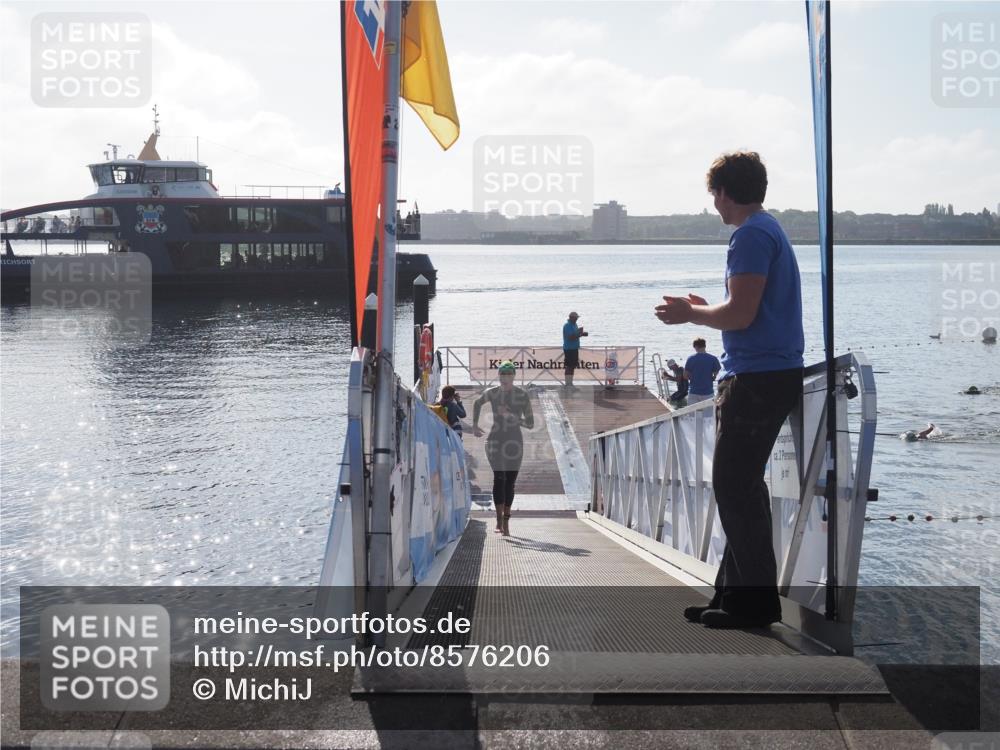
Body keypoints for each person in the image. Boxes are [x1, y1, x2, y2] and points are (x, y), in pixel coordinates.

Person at [654, 151, 804, 629]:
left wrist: (690, 315)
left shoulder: (751, 235)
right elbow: (745, 307)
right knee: (741, 488)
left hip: (757, 379)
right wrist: (707, 307)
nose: (713, 205)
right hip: (767, 374)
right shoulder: (766, 229)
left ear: (724, 192)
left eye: (713, 195)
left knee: (734, 486)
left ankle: (756, 605)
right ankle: (733, 597)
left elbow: (741, 315)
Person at [472, 361, 535, 536]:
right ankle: (499, 521)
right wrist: (475, 426)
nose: (505, 378)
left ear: (514, 376)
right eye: (502, 374)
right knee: (499, 478)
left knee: (510, 483)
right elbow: (477, 403)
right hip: (495, 441)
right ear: (498, 376)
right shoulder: (492, 393)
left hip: (515, 442)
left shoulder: (522, 396)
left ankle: (506, 521)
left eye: (508, 374)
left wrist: (511, 416)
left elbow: (530, 424)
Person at [685, 338, 721, 404]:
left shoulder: (690, 358)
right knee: (709, 413)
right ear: (705, 346)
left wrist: (692, 378)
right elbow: (717, 370)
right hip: (708, 392)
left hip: (694, 391)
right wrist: (714, 376)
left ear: (695, 347)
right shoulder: (713, 358)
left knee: (692, 413)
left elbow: (685, 375)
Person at [562, 312, 588, 388]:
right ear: (571, 317)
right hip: (569, 348)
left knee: (572, 366)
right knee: (569, 366)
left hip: (574, 348)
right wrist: (579, 334)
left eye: (577, 318)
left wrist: (581, 334)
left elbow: (575, 335)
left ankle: (570, 383)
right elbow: (570, 337)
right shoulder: (567, 326)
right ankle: (567, 384)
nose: (576, 319)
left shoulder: (574, 325)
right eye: (575, 318)